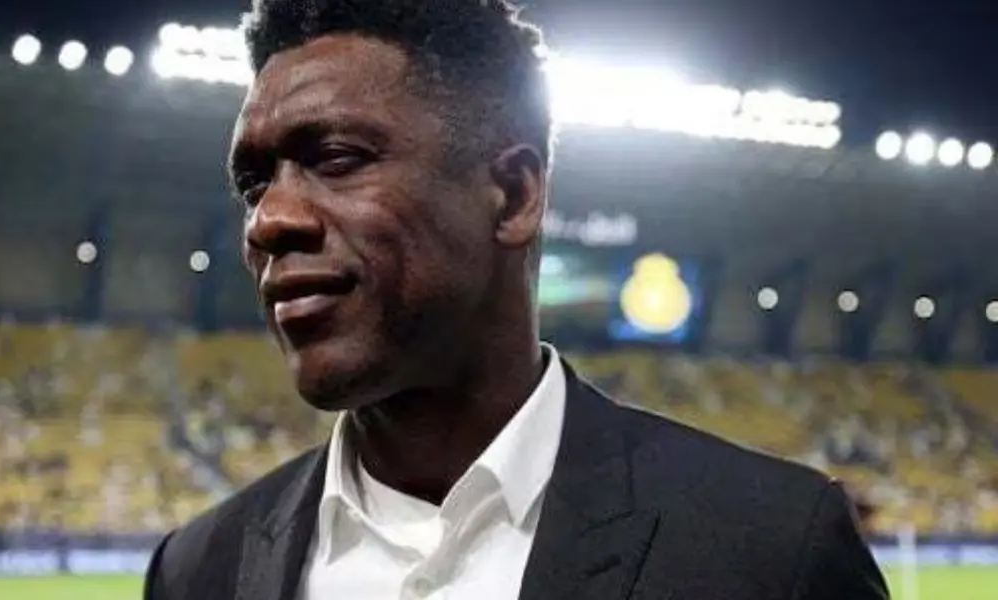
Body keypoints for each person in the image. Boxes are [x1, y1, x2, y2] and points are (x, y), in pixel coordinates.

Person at [144, 1, 890, 599]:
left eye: (336, 159)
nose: (268, 220)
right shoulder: (198, 570)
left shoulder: (771, 552)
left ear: (512, 194)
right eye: (254, 185)